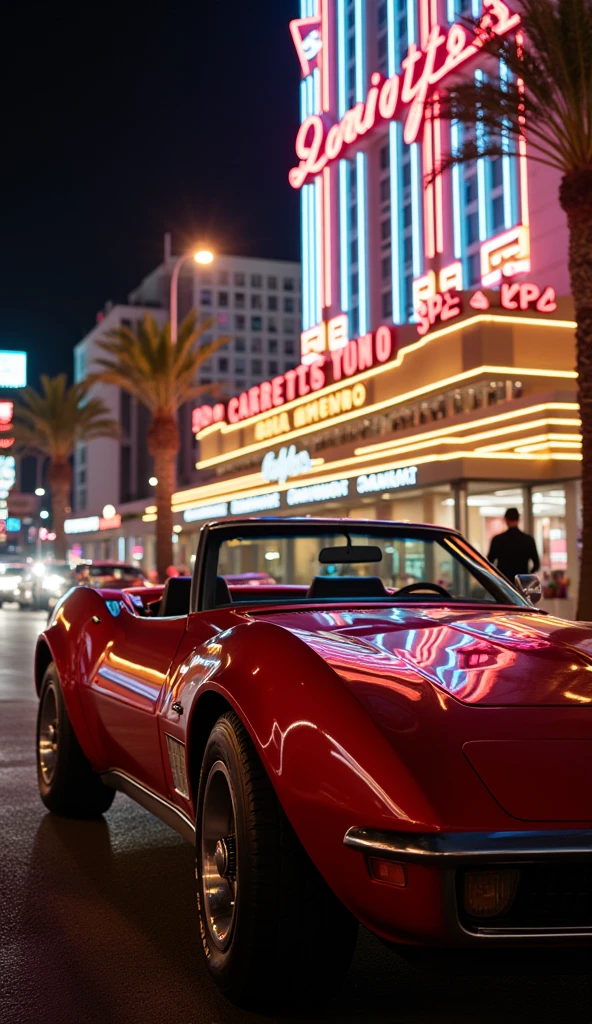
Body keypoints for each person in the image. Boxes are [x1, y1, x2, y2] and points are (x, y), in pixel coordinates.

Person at [487, 508, 540, 583]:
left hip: (504, 583)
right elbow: (536, 564)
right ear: (519, 520)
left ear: (506, 520)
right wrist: (527, 576)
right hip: (521, 582)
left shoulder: (498, 540)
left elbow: (489, 561)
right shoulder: (528, 540)